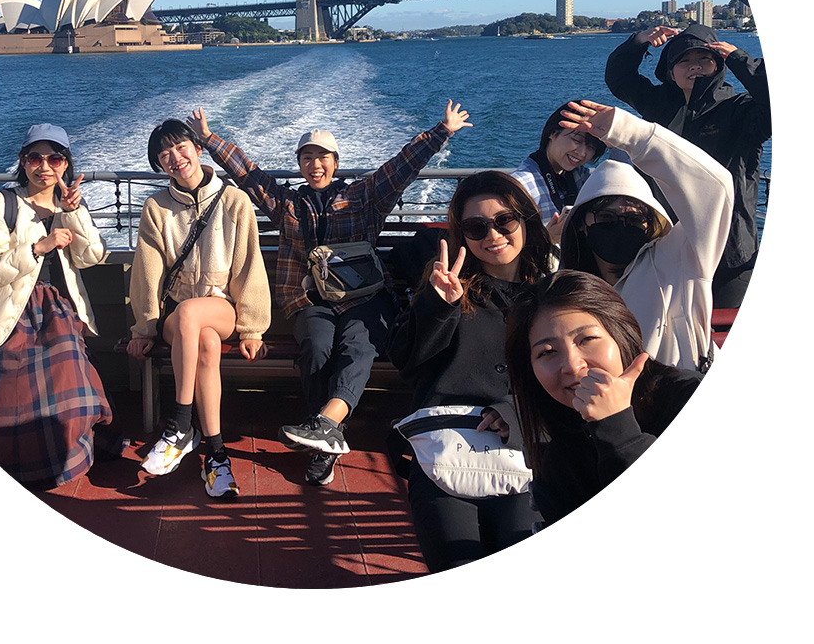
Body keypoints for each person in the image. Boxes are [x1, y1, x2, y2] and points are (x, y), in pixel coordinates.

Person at [189, 100, 471, 487]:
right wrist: (209, 139)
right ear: (300, 165)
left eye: (322, 158)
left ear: (335, 162)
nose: (315, 165)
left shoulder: (364, 196)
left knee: (358, 346)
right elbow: (250, 174)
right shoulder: (288, 204)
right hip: (310, 300)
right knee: (318, 349)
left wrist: (442, 131)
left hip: (366, 297)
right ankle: (324, 441)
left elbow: (402, 165)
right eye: (307, 158)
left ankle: (324, 430)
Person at [386, 170, 553, 572]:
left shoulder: (553, 296)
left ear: (525, 221)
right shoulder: (448, 288)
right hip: (445, 456)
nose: (492, 235)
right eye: (476, 227)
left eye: (504, 221)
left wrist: (513, 411)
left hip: (523, 452)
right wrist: (437, 305)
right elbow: (406, 359)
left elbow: (567, 375)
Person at [0, 123, 120, 488]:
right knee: (8, 393)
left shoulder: (70, 205)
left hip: (58, 307)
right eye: (35, 157)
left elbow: (92, 256)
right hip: (9, 310)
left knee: (68, 382)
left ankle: (67, 460)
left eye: (54, 157)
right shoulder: (2, 203)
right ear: (23, 161)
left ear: (66, 164)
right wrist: (37, 248)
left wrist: (74, 213)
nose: (44, 166)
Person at [127, 119, 270, 499]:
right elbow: (148, 270)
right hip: (179, 313)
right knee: (202, 339)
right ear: (160, 165)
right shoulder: (156, 208)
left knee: (197, 315)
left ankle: (178, 425)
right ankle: (217, 456)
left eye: (180, 147)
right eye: (164, 155)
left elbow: (248, 266)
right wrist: (144, 328)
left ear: (198, 148)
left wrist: (253, 328)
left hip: (221, 307)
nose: (175, 158)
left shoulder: (234, 200)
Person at [504, 269, 702, 526]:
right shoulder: (557, 461)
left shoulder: (685, 396)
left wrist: (617, 427)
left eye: (587, 339)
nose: (572, 366)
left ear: (621, 335)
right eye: (548, 352)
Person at [556, 100, 733, 372]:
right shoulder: (568, 290)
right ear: (581, 223)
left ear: (651, 224)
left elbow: (714, 188)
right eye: (606, 218)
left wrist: (630, 134)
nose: (621, 226)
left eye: (636, 219)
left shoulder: (680, 262)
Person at [604, 23, 771, 308]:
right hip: (667, 242)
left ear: (719, 65)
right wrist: (639, 41)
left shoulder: (741, 110)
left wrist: (740, 58)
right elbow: (619, 79)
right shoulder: (660, 105)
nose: (694, 66)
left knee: (721, 331)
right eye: (684, 60)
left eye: (704, 59)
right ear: (670, 71)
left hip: (729, 250)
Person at [510, 101, 606, 243]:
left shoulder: (581, 177)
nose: (582, 152)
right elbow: (505, 246)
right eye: (576, 140)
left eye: (591, 147)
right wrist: (547, 239)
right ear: (553, 133)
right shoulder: (521, 185)